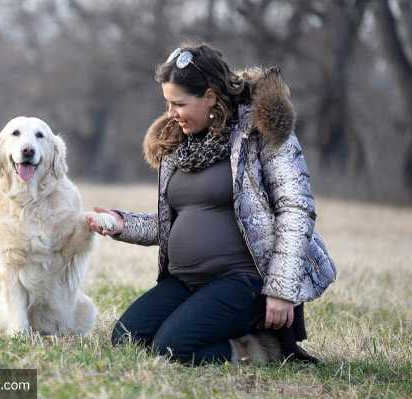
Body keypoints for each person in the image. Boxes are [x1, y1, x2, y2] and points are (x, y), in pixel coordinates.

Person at [86, 42, 337, 366]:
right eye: (167, 103)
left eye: (178, 103)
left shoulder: (261, 132)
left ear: (210, 96)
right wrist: (122, 224)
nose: (171, 114)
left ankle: (263, 349)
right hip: (188, 281)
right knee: (127, 338)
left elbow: (296, 208)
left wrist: (281, 289)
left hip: (245, 280)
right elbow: (177, 221)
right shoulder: (180, 141)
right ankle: (215, 328)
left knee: (171, 349)